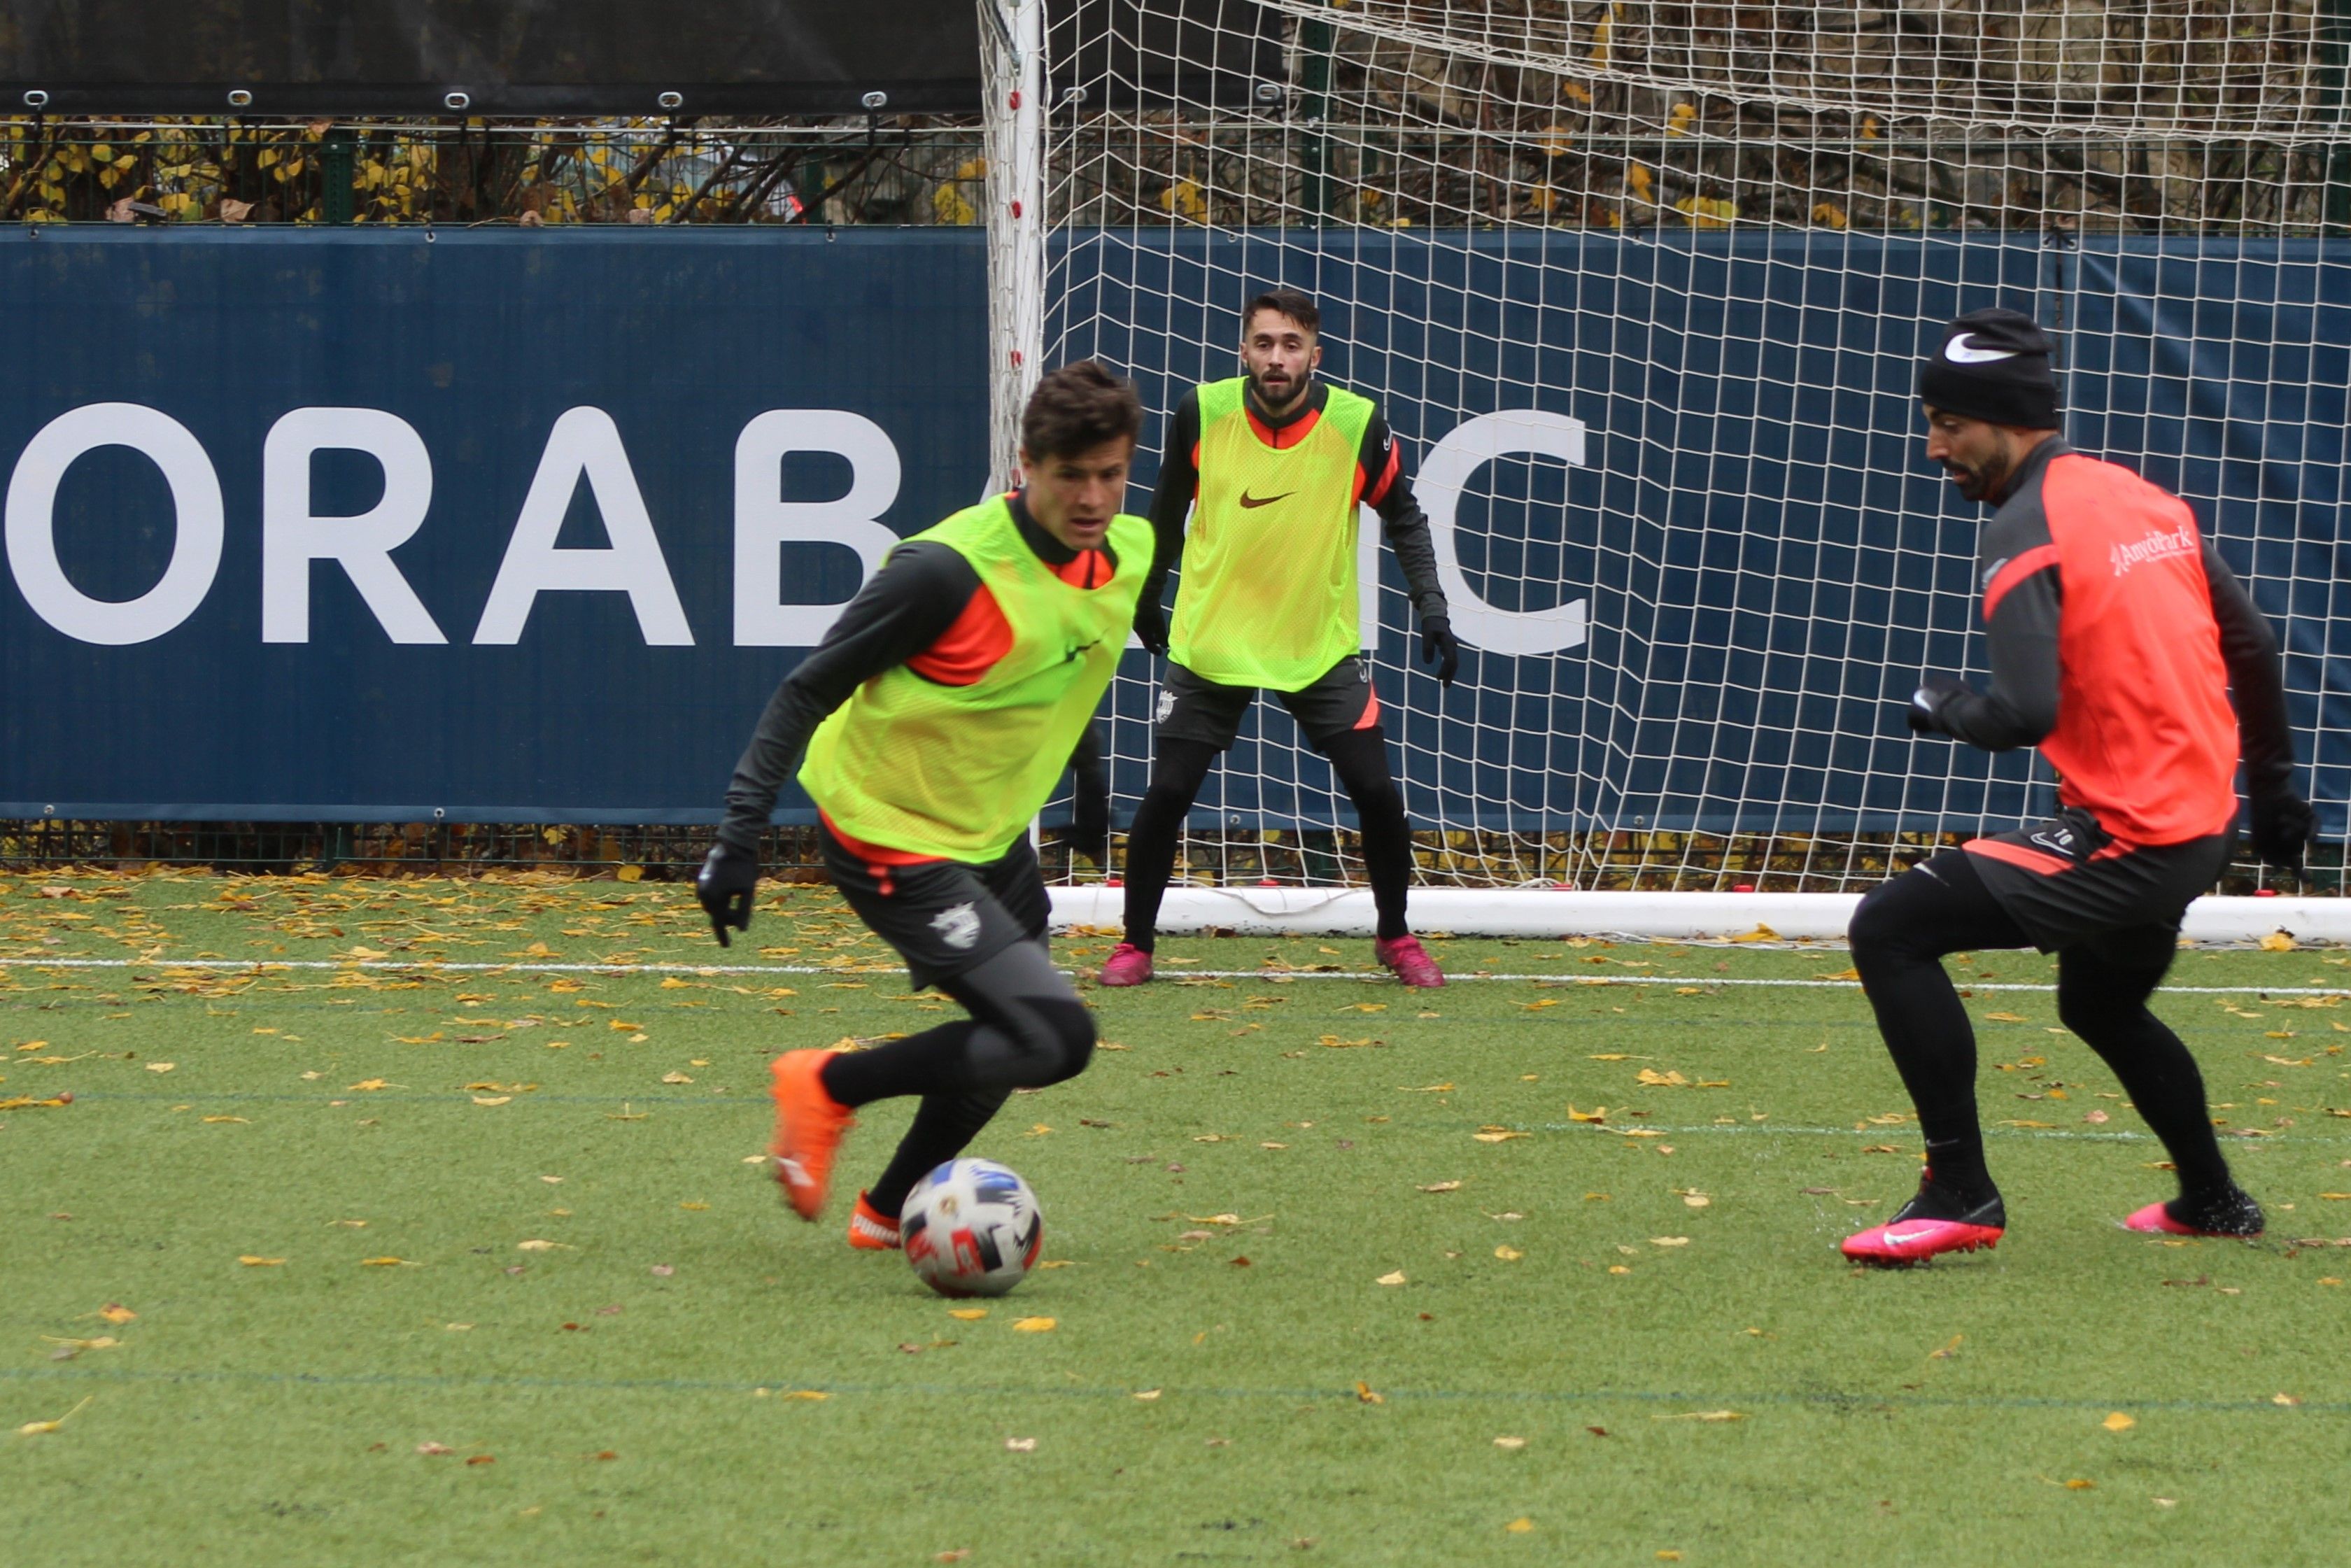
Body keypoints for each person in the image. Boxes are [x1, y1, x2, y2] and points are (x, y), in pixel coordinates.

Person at [1840, 306, 2313, 1266]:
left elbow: (2024, 713)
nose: (1933, 447)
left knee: (1889, 928)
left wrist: (1943, 703)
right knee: (2099, 1006)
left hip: (2133, 838)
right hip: (2200, 823)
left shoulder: (2024, 526)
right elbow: (2255, 644)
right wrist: (2272, 798)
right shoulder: (2139, 498)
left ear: (2006, 422)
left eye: (1947, 424)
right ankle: (2213, 1201)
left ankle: (1959, 1194)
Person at [696, 362, 1148, 1250]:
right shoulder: (946, 572)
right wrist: (737, 838)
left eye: (1111, 474)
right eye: (1071, 476)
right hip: (886, 834)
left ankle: (883, 1212)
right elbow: (803, 690)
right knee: (1057, 1038)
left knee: (1010, 1046)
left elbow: (1068, 663)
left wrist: (1091, 792)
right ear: (1027, 465)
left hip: (984, 836)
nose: (1093, 497)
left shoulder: (1127, 551)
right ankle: (826, 1085)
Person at [1098, 288, 1457, 989]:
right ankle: (1134, 945)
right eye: (1263, 343)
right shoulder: (1202, 412)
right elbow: (1165, 515)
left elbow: (1406, 520)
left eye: (1291, 345)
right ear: (1243, 350)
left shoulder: (1357, 424)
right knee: (1168, 793)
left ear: (1314, 357)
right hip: (1214, 639)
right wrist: (1144, 597)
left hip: (1316, 644)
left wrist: (1432, 608)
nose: (1276, 358)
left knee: (1377, 794)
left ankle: (1395, 936)